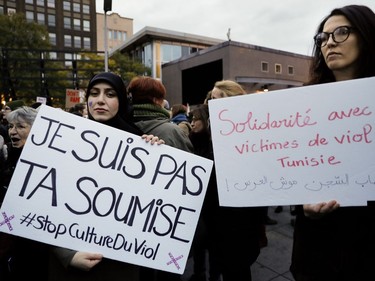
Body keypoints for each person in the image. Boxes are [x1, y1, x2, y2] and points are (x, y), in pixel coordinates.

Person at [48, 72, 164, 281]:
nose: (100, 100)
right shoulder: (64, 139)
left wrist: (156, 156)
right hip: (69, 264)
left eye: (110, 94)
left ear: (121, 100)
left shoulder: (140, 144)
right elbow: (41, 204)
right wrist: (66, 254)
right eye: (94, 93)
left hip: (119, 266)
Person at [290, 5, 375, 281]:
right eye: (323, 38)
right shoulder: (303, 106)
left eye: (341, 33)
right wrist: (303, 205)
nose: (329, 43)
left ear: (366, 35)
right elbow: (290, 170)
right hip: (317, 250)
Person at [196, 80, 264, 281]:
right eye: (210, 100)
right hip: (216, 222)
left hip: (239, 226)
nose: (211, 105)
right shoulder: (209, 133)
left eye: (217, 100)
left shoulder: (249, 136)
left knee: (237, 271)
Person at [127, 76, 194, 281]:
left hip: (128, 217)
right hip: (165, 217)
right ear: (158, 101)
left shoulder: (119, 125)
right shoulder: (171, 130)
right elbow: (190, 177)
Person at [0, 106, 49, 281]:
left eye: (20, 126)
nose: (13, 131)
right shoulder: (7, 157)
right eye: (11, 126)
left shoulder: (46, 161)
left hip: (35, 243)